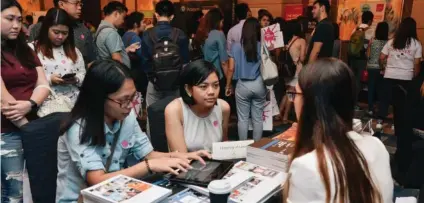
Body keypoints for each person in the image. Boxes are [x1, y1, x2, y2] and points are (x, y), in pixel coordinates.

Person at [56, 60, 211, 202]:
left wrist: (182, 156)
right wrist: (148, 166)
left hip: (118, 193)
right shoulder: (78, 128)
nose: (130, 106)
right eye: (123, 100)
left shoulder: (126, 116)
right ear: (99, 98)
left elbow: (148, 154)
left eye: (133, 98)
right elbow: (97, 180)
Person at [285, 58, 393, 203]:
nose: (293, 101)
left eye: (296, 95)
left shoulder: (307, 167)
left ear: (311, 103)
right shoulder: (377, 146)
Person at [1, 1, 50, 202]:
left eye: (19, 20)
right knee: (13, 193)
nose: (16, 25)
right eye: (9, 19)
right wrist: (30, 130)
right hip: (7, 132)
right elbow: (5, 102)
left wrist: (30, 104)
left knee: (38, 186)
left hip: (32, 124)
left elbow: (44, 85)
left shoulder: (25, 49)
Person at [380, 17, 422, 172]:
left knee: (395, 106)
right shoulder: (416, 44)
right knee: (404, 108)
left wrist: (384, 68)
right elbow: (417, 66)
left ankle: (395, 129)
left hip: (390, 77)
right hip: (405, 80)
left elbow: (381, 57)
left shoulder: (392, 41)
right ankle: (402, 134)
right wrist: (413, 76)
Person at [165, 60, 231, 152]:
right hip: (189, 165)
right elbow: (181, 158)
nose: (211, 92)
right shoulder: (175, 110)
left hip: (216, 164)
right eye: (203, 87)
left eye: (216, 85)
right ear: (188, 89)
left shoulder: (223, 107)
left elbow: (224, 146)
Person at [29, 8, 85, 106]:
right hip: (46, 104)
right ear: (46, 29)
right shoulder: (33, 49)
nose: (60, 37)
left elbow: (83, 74)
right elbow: (27, 78)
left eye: (64, 33)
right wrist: (50, 79)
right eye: (56, 32)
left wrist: (76, 79)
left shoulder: (74, 50)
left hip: (74, 103)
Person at [141, 0, 189, 107]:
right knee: (174, 115)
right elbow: (185, 62)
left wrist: (153, 78)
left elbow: (144, 62)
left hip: (155, 83)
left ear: (156, 15)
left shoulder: (147, 34)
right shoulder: (180, 34)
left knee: (153, 116)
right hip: (174, 84)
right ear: (172, 17)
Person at [226, 18, 266, 141]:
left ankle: (242, 148)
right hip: (259, 84)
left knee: (242, 119)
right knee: (257, 119)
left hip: (242, 85)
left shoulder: (235, 47)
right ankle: (257, 147)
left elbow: (231, 68)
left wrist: (228, 86)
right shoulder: (261, 46)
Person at [29, 0, 97, 67]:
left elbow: (91, 60)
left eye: (80, 4)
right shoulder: (39, 28)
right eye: (76, 3)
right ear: (61, 4)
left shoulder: (84, 30)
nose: (79, 7)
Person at [96, 1, 140, 69]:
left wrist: (126, 50)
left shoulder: (101, 29)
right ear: (116, 14)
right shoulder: (111, 32)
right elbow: (117, 61)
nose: (123, 21)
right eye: (123, 17)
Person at [279, 20, 307, 124]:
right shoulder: (301, 41)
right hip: (296, 70)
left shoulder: (287, 40)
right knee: (292, 94)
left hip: (287, 70)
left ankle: (279, 113)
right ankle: (285, 116)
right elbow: (303, 58)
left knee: (288, 92)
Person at [349, 11, 374, 107]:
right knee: (359, 80)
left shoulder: (355, 29)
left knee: (353, 79)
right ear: (370, 21)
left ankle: (351, 101)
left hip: (352, 57)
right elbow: (370, 46)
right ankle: (355, 103)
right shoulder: (370, 31)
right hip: (362, 58)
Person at [202, 8, 229, 97]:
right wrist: (229, 81)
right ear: (218, 21)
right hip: (218, 75)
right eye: (222, 21)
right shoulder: (219, 34)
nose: (222, 24)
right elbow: (224, 62)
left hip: (205, 74)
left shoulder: (203, 34)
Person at [122, 11, 148, 94]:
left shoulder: (125, 35)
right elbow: (143, 57)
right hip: (137, 75)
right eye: (143, 22)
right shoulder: (135, 38)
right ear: (136, 24)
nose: (145, 24)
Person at [367, 22, 389, 116]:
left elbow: (367, 55)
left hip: (371, 67)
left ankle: (370, 108)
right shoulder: (388, 43)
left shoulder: (372, 40)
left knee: (371, 88)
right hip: (382, 69)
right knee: (381, 89)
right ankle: (380, 109)